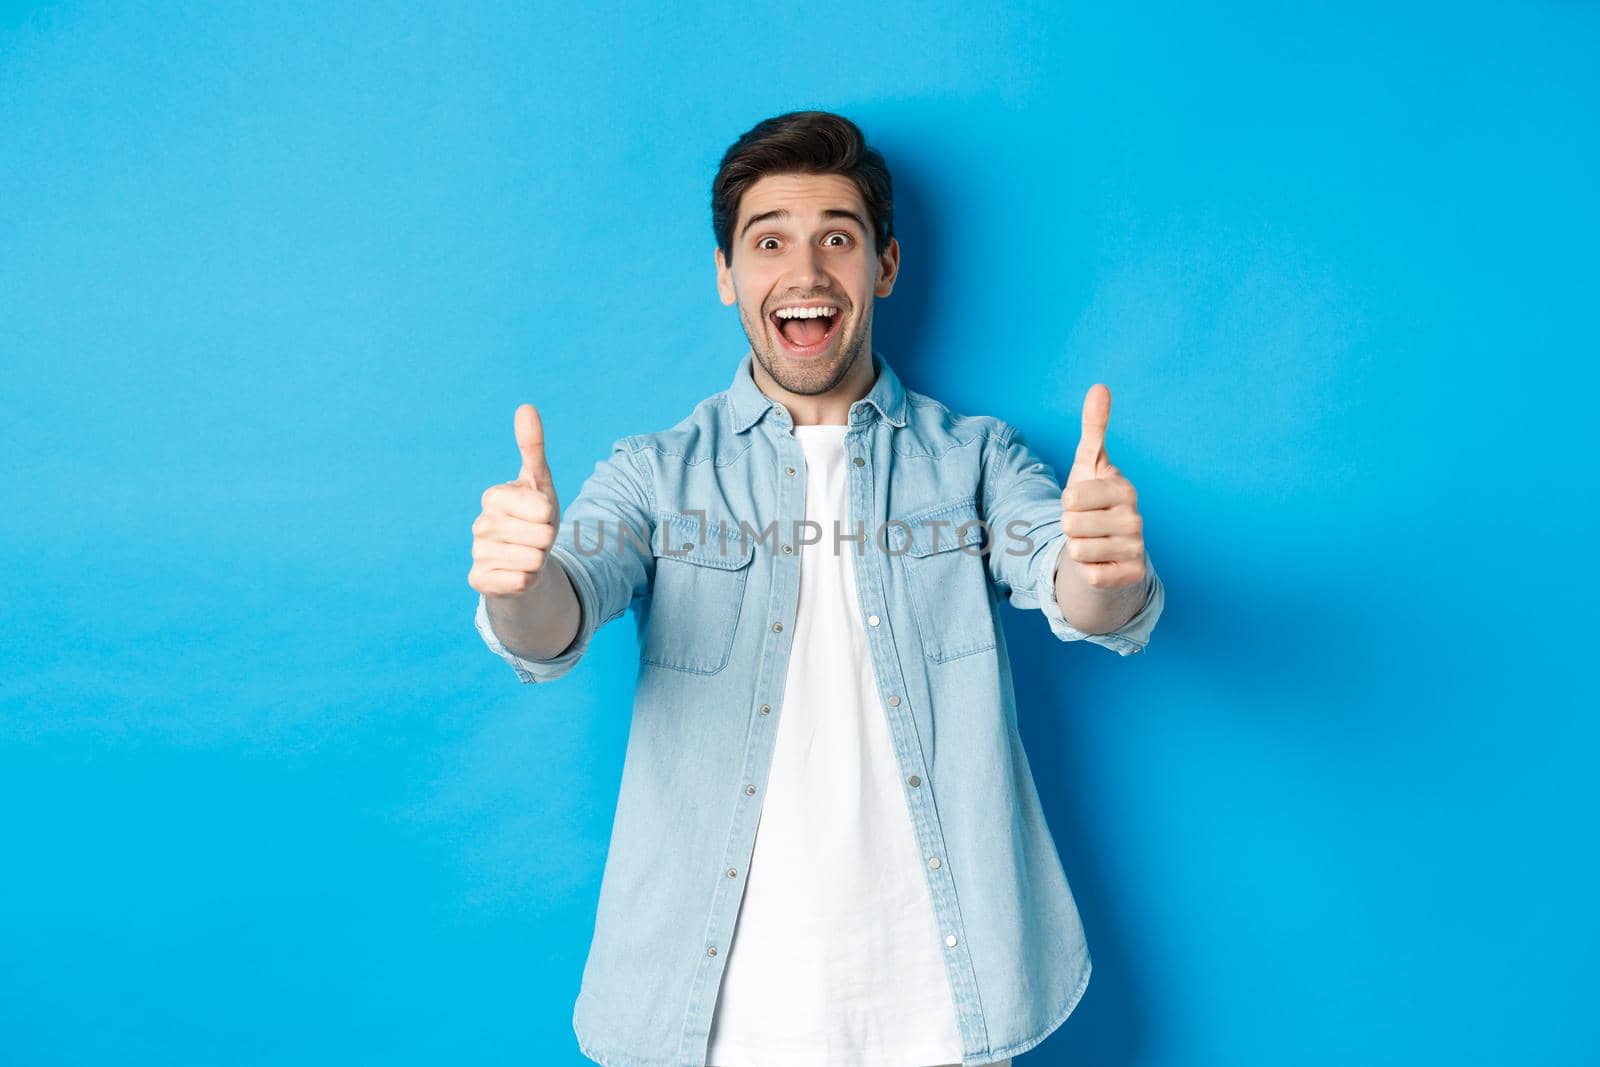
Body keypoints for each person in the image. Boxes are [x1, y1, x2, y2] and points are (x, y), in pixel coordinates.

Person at [468, 110, 1164, 1067]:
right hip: (713, 1020)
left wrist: (1101, 568)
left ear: (883, 266)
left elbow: (1076, 589)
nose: (805, 272)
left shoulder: (977, 459)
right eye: (769, 242)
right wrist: (519, 582)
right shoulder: (654, 473)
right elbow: (560, 609)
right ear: (727, 275)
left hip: (940, 1009)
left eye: (838, 237)